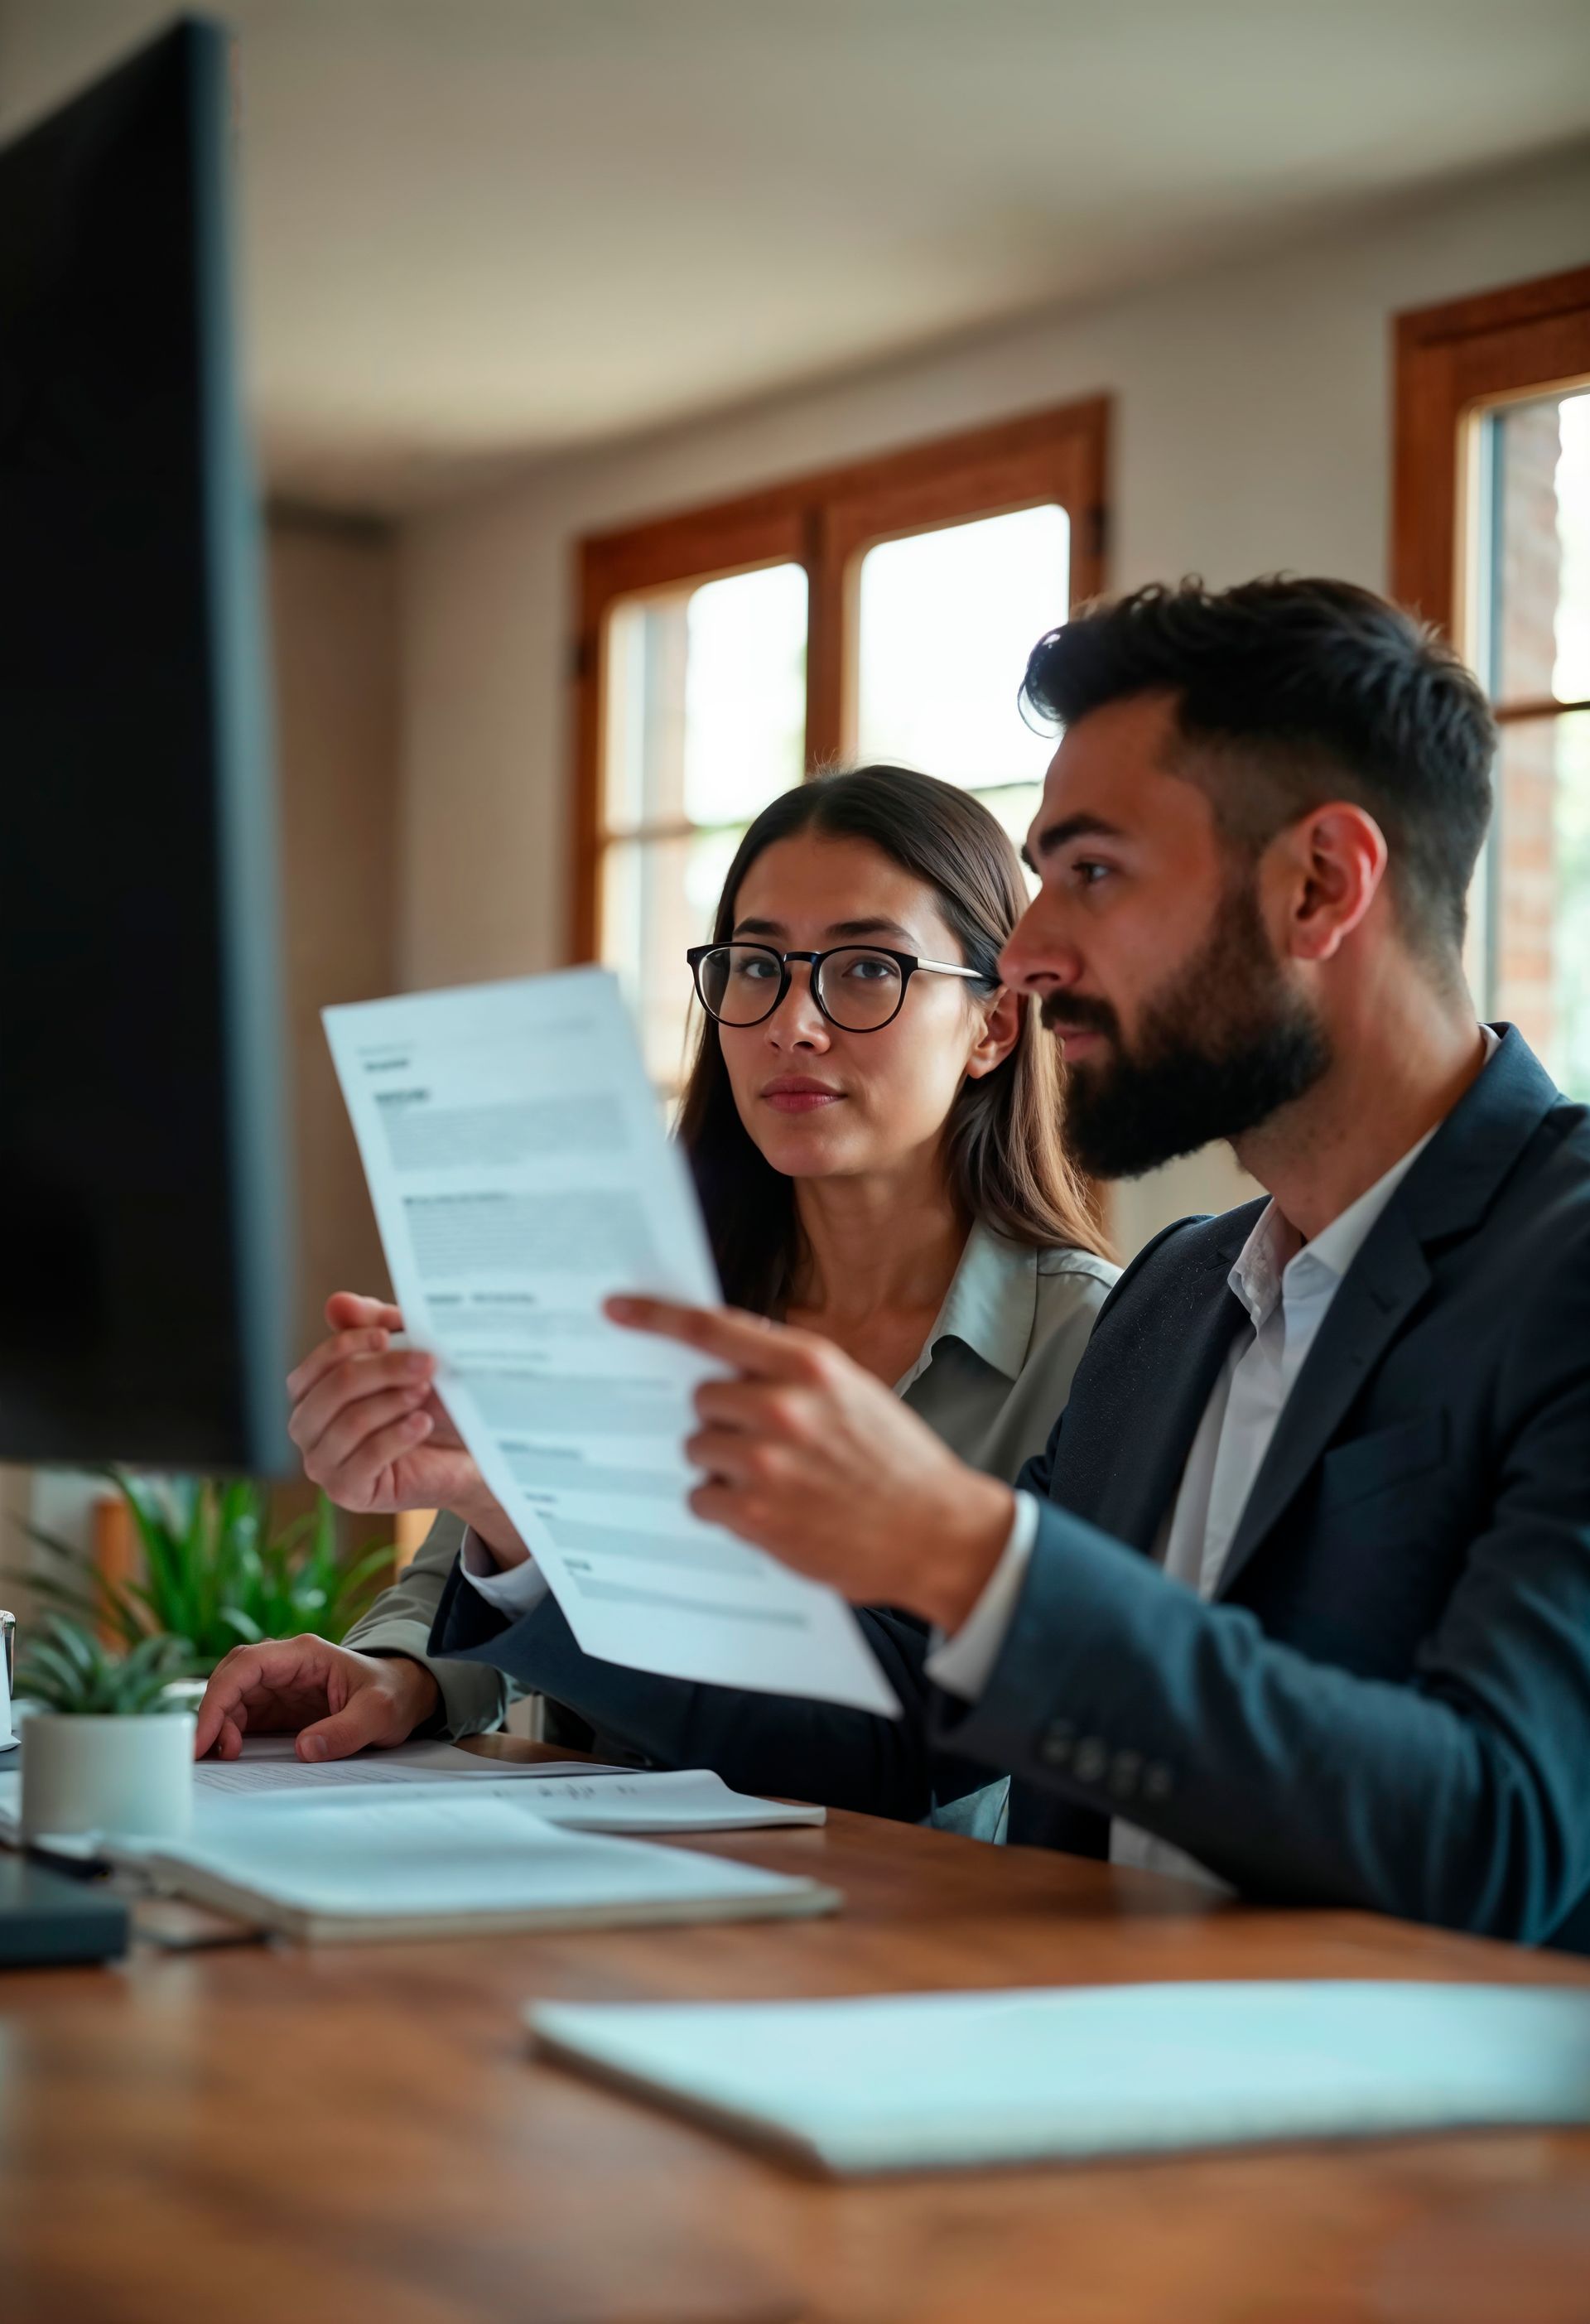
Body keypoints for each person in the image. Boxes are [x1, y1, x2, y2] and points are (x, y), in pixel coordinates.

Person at [450, 576, 1590, 1950]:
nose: (1033, 951)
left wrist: (974, 1550)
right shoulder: (1179, 1298)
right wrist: (524, 1521)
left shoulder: (1562, 1264)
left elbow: (1504, 1835)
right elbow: (878, 1745)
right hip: (1056, 2057)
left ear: (1321, 884)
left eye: (1093, 871)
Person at [195, 765, 1115, 1835]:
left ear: (995, 1025)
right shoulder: (638, 1303)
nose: (794, 1024)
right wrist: (394, 1670)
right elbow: (473, 1571)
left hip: (890, 1941)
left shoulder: (1096, 1345)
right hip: (569, 1888)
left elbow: (931, 1735)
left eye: (866, 968)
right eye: (755, 966)